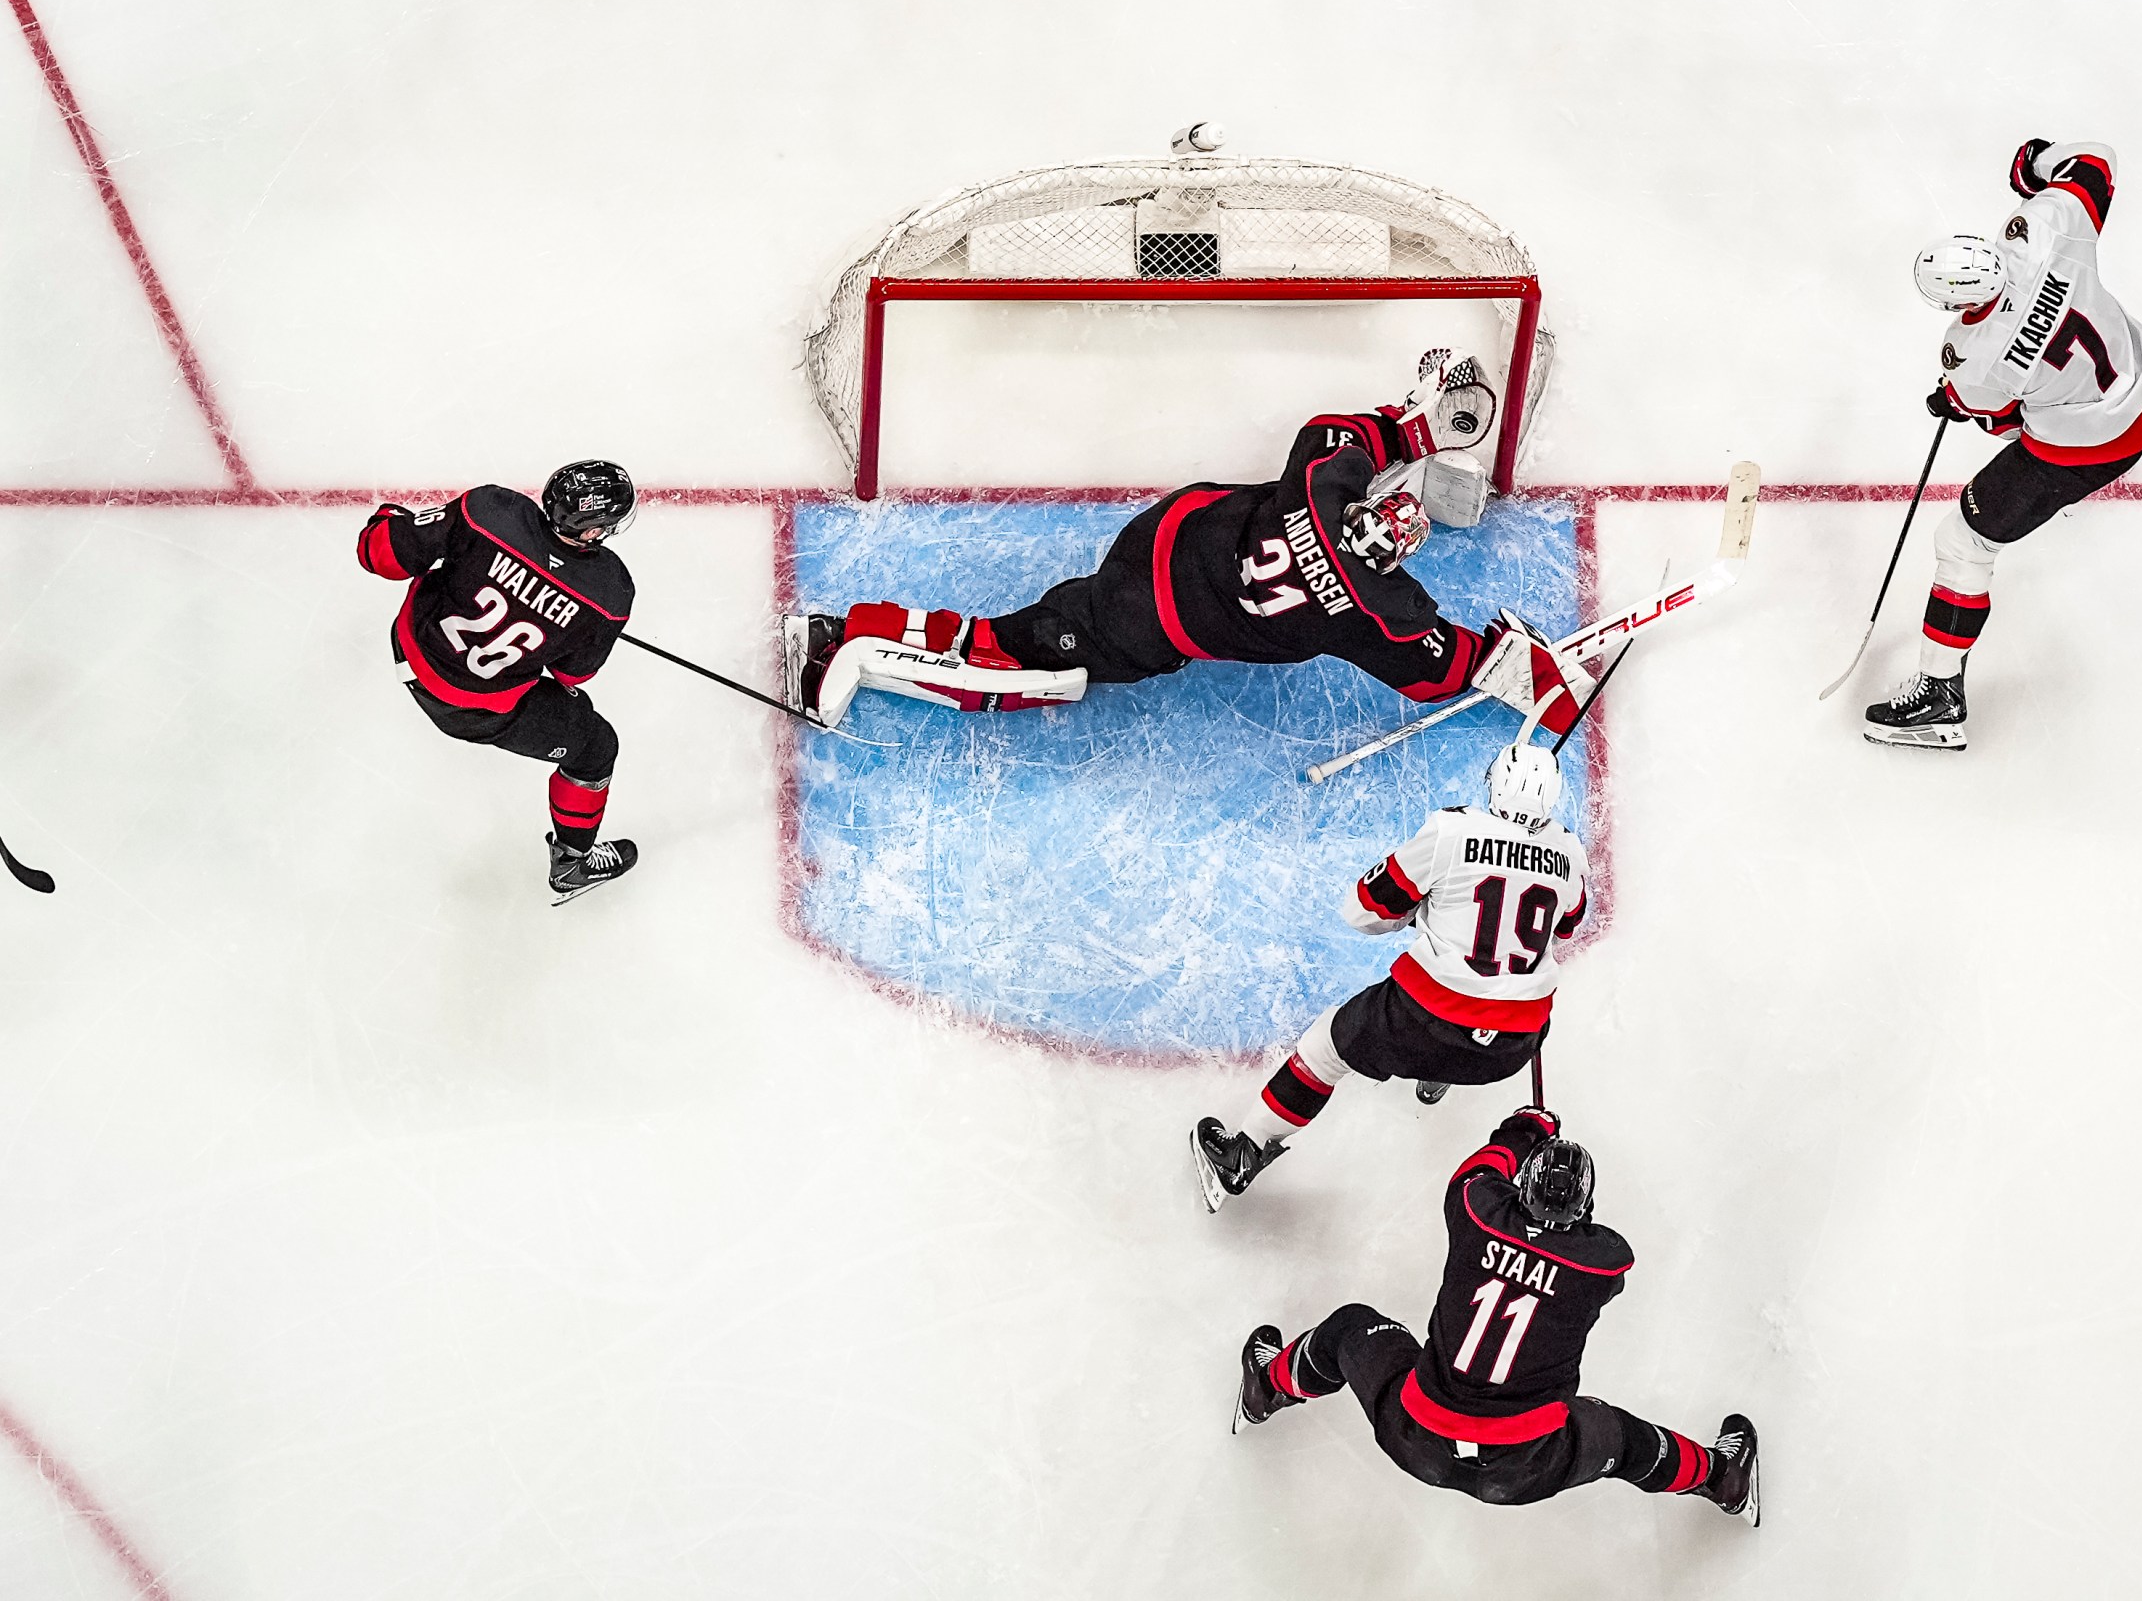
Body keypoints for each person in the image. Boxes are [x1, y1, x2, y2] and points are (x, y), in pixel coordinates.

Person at [784, 351, 1589, 736]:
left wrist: (1408, 427)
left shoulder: (1317, 487)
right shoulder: (1373, 612)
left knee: (1040, 624)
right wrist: (1515, 662)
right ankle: (845, 650)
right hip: (1148, 625)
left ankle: (856, 624)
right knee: (1030, 661)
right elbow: (1433, 666)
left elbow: (1336, 434)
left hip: (1158, 540)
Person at [1231, 1106, 1760, 1520]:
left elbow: (1477, 1172)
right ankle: (1720, 1477)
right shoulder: (1600, 1266)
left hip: (1415, 1435)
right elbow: (1601, 1252)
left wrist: (1526, 1130)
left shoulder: (1477, 1212)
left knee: (1349, 1328)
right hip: (1527, 1464)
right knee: (1625, 1442)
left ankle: (1269, 1386)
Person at [1192, 725, 1588, 1211]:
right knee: (1495, 1007)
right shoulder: (1570, 853)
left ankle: (1242, 1154)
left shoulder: (1452, 831)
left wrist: (1417, 910)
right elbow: (1565, 927)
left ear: (1493, 784)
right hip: (1510, 1050)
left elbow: (1363, 911)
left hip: (1426, 1018)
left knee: (1323, 1049)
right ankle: (1439, 1072)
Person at [1872, 138, 2142, 750]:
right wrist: (2036, 168)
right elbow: (2097, 163)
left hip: (2094, 445)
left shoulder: (1971, 359)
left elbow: (1995, 418)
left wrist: (1950, 401)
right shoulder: (2041, 228)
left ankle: (1939, 699)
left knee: (1963, 539)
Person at [357, 460, 641, 901]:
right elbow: (573, 673)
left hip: (411, 649)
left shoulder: (488, 511)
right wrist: (571, 618)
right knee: (595, 748)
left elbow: (378, 555)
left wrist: (391, 521)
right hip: (474, 714)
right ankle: (570, 863)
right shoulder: (609, 592)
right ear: (590, 532)